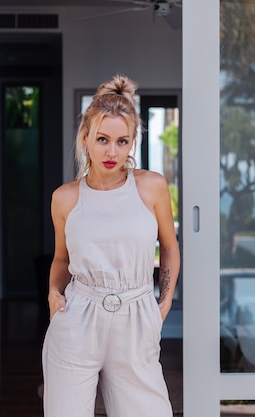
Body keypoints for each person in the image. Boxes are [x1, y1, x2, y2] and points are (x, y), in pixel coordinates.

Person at [41, 74, 180, 417]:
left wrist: (164, 301)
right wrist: (53, 292)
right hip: (77, 317)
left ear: (132, 142)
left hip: (136, 313)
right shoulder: (65, 198)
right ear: (85, 137)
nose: (112, 151)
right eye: (103, 139)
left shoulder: (151, 187)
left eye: (122, 141)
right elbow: (61, 259)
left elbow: (170, 247)